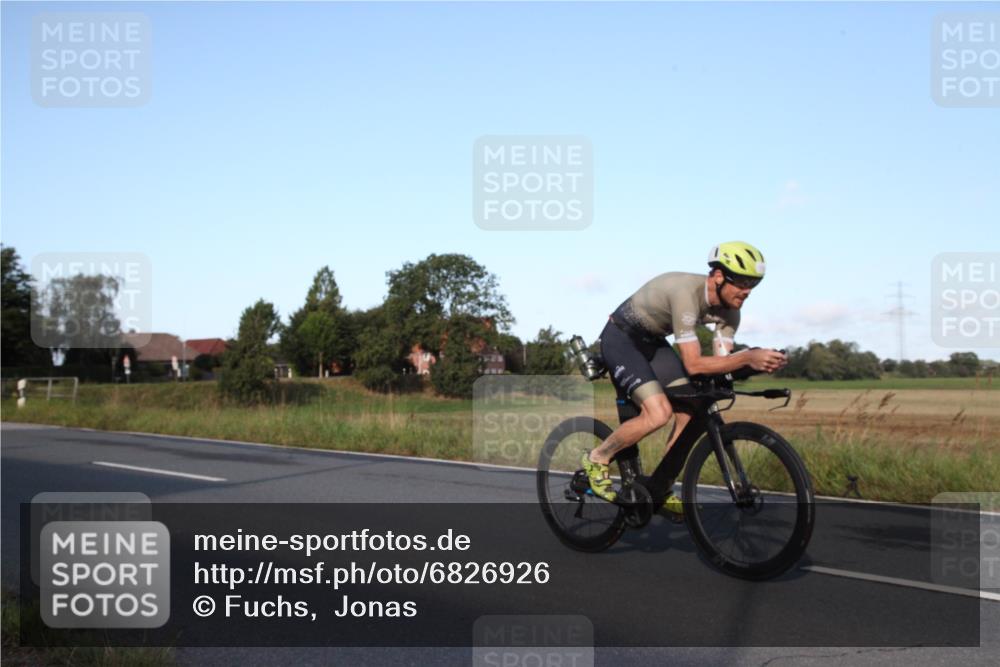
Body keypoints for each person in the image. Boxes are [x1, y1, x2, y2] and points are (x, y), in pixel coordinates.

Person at [581, 241, 787, 514]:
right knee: (658, 413)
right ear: (717, 276)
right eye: (741, 282)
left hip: (653, 342)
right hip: (621, 337)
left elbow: (723, 363)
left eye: (753, 284)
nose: (747, 291)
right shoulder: (686, 296)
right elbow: (693, 364)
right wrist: (748, 356)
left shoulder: (731, 313)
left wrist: (758, 363)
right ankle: (598, 458)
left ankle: (659, 486)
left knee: (689, 411)